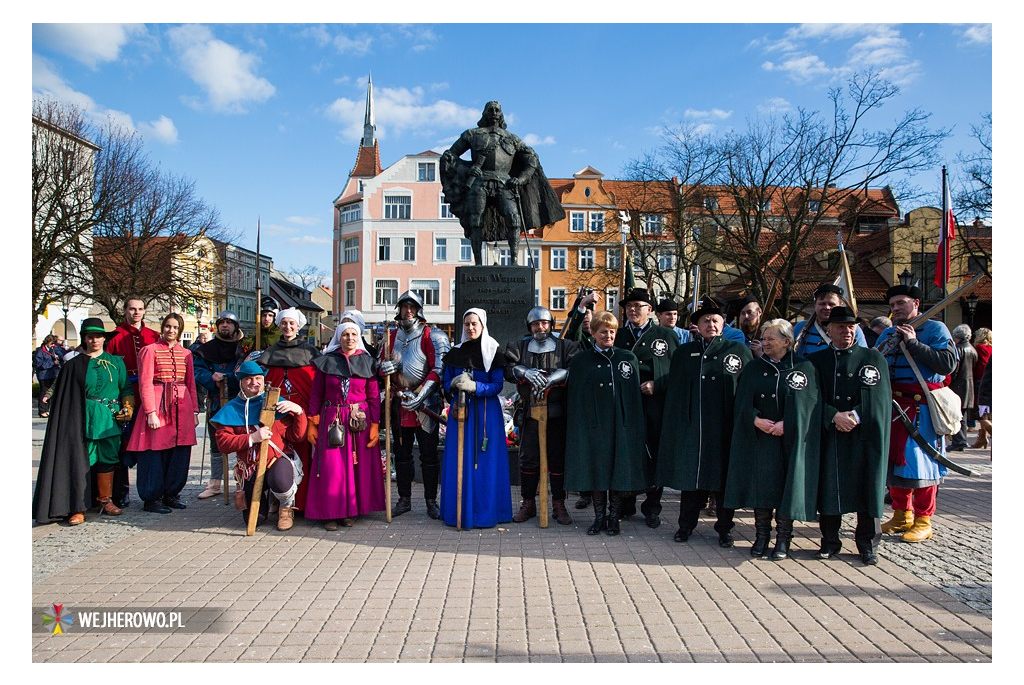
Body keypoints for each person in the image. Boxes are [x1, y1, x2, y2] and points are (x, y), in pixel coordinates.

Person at [657, 299, 752, 547]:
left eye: (715, 320)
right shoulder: (684, 354)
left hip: (724, 428)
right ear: (696, 325)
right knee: (692, 480)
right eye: (705, 320)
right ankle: (685, 526)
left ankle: (724, 529)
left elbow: (746, 392)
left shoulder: (738, 351)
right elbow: (675, 394)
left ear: (723, 324)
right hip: (693, 428)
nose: (710, 324)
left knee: (722, 480)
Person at [724, 319, 821, 560]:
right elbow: (741, 402)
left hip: (790, 439)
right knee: (763, 487)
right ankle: (762, 535)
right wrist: (755, 419)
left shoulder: (803, 367)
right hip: (762, 438)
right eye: (764, 338)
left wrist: (788, 423)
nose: (765, 343)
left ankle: (784, 539)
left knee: (786, 488)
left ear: (787, 342)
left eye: (771, 339)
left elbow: (810, 405)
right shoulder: (754, 368)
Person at [808, 307, 891, 565]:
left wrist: (854, 416)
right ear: (829, 330)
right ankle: (830, 541)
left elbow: (879, 397)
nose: (847, 330)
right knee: (829, 488)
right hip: (830, 434)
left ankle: (867, 544)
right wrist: (832, 415)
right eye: (841, 326)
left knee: (867, 488)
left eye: (851, 326)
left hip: (863, 435)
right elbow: (811, 398)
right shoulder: (817, 361)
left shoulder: (872, 358)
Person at [876, 285, 958, 543]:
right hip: (892, 407)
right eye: (892, 305)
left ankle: (924, 519)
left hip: (921, 408)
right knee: (894, 463)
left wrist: (913, 343)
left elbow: (946, 364)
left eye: (901, 302)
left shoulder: (935, 330)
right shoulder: (888, 333)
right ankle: (902, 514)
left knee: (923, 463)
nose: (896, 308)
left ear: (916, 303)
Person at [33, 318, 133, 525]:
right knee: (81, 461)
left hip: (109, 419)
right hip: (82, 418)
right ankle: (79, 506)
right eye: (90, 336)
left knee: (108, 459)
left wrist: (128, 407)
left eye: (98, 336)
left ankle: (105, 500)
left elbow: (126, 389)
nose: (94, 340)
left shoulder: (116, 363)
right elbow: (64, 392)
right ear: (84, 339)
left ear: (104, 339)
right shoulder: (73, 365)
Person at [440, 100, 565, 265]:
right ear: (485, 113)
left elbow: (531, 160)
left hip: (504, 183)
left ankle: (513, 262)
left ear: (501, 114)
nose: (494, 112)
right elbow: (449, 156)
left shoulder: (512, 139)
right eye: (490, 109)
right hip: (479, 182)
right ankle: (478, 264)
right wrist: (467, 170)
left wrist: (521, 179)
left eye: (497, 110)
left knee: (514, 220)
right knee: (475, 221)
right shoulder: (472, 134)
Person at [565, 311, 649, 536]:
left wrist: (631, 424)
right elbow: (576, 398)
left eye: (612, 332)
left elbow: (632, 396)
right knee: (597, 470)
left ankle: (614, 517)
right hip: (593, 427)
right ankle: (599, 517)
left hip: (620, 425)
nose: (608, 336)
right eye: (603, 332)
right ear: (593, 333)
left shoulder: (626, 358)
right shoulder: (582, 361)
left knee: (617, 469)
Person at [503, 306, 579, 525]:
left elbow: (576, 368)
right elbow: (507, 368)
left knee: (557, 458)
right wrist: (525, 372)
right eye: (536, 324)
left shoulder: (565, 347)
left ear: (551, 324)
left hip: (556, 411)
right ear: (530, 326)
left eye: (544, 323)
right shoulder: (520, 347)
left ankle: (558, 503)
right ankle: (528, 503)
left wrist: (556, 377)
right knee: (528, 458)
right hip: (529, 411)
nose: (541, 327)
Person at [378, 291, 450, 519]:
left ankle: (431, 501)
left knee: (428, 455)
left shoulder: (433, 335)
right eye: (404, 307)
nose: (408, 311)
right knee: (402, 454)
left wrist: (421, 395)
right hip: (399, 403)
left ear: (418, 310)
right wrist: (384, 369)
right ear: (399, 309)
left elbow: (439, 369)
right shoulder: (390, 336)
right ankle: (404, 499)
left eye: (412, 307)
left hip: (425, 403)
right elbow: (379, 367)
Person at [210, 361, 307, 531]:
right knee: (254, 520)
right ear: (241, 382)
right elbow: (223, 444)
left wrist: (299, 412)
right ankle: (267, 499)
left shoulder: (276, 402)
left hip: (276, 459)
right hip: (249, 467)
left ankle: (285, 506)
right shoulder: (232, 408)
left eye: (258, 378)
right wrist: (252, 438)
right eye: (248, 379)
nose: (254, 382)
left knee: (280, 480)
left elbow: (296, 436)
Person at [439, 308, 513, 529]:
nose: (470, 328)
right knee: (458, 459)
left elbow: (498, 385)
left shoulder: (492, 350)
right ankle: (458, 512)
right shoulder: (455, 352)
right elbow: (445, 383)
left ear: (482, 325)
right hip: (459, 413)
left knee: (485, 461)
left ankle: (486, 512)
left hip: (485, 414)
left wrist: (476, 386)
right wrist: (453, 383)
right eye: (467, 324)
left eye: (474, 324)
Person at [306, 322, 383, 530]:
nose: (349, 338)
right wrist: (312, 421)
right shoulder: (327, 361)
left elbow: (374, 397)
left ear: (358, 337)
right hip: (333, 418)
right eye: (345, 334)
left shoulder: (367, 362)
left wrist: (375, 425)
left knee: (357, 466)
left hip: (359, 419)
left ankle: (351, 510)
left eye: (353, 334)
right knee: (332, 468)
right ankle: (330, 513)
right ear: (338, 338)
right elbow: (316, 394)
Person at [124, 313, 199, 514]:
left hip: (181, 406)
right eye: (168, 326)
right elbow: (145, 383)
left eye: (175, 327)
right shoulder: (150, 351)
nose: (171, 331)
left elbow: (191, 383)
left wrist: (194, 411)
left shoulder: (186, 354)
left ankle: (171, 493)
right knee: (154, 452)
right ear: (162, 327)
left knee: (179, 453)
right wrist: (150, 412)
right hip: (158, 403)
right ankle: (152, 497)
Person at [614, 288, 677, 528]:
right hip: (625, 405)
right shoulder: (618, 335)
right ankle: (626, 504)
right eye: (629, 306)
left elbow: (676, 371)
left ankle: (652, 507)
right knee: (627, 453)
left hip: (653, 405)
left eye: (638, 305)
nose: (632, 310)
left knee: (653, 454)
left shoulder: (664, 335)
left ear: (650, 310)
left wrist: (657, 384)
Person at [257, 308, 321, 515]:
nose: (288, 327)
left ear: (298, 326)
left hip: (301, 411)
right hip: (277, 414)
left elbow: (314, 383)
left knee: (303, 453)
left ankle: (299, 501)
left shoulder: (309, 352)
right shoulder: (271, 351)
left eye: (291, 323)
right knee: (277, 453)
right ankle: (279, 496)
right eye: (284, 323)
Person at [105, 296, 161, 508]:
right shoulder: (116, 337)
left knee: (149, 444)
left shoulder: (153, 336)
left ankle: (151, 489)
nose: (136, 312)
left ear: (144, 311)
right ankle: (121, 491)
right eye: (132, 309)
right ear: (125, 311)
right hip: (124, 394)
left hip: (149, 394)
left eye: (139, 309)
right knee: (122, 445)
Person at [193, 310, 245, 500]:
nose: (225, 326)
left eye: (229, 323)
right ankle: (215, 483)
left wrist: (230, 377)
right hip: (216, 402)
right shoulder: (207, 349)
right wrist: (211, 377)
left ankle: (243, 481)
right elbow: (197, 370)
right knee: (216, 444)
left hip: (239, 402)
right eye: (221, 322)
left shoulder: (243, 348)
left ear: (235, 326)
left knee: (242, 442)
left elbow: (248, 370)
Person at [792, 284, 867, 358]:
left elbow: (862, 355)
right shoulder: (801, 328)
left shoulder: (853, 329)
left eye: (831, 304)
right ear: (815, 305)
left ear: (840, 305)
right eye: (822, 304)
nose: (827, 307)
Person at [948, 325, 977, 452]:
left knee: (956, 414)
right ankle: (962, 440)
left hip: (958, 385)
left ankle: (959, 441)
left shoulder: (958, 349)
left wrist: (949, 382)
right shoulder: (972, 349)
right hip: (969, 385)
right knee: (962, 416)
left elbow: (954, 369)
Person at [972, 328, 992, 448]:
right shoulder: (992, 348)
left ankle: (988, 432)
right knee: (986, 413)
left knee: (977, 413)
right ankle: (982, 437)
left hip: (981, 382)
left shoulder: (978, 349)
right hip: (988, 382)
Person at [34, 334, 63, 418]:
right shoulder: (40, 351)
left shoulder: (51, 349)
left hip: (52, 374)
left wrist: (57, 357)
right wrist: (52, 363)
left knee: (50, 393)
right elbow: (39, 364)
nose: (53, 345)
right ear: (48, 342)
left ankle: (47, 409)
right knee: (44, 392)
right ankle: (42, 410)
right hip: (43, 375)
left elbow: (61, 353)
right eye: (52, 343)